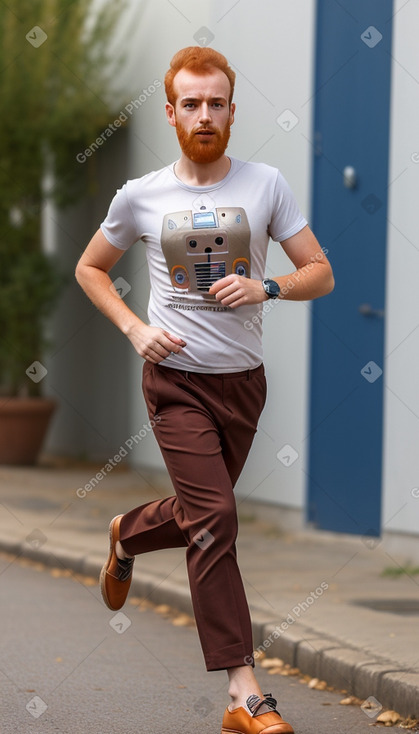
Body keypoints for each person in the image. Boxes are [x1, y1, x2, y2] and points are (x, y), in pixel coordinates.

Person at [75, 46, 334, 734]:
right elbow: (91, 269)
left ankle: (127, 533)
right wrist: (135, 329)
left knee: (201, 515)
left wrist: (267, 284)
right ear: (170, 112)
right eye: (190, 103)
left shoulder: (265, 184)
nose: (204, 114)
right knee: (215, 518)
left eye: (215, 102)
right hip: (175, 384)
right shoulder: (141, 195)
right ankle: (243, 692)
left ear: (230, 110)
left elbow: (319, 271)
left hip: (243, 387)